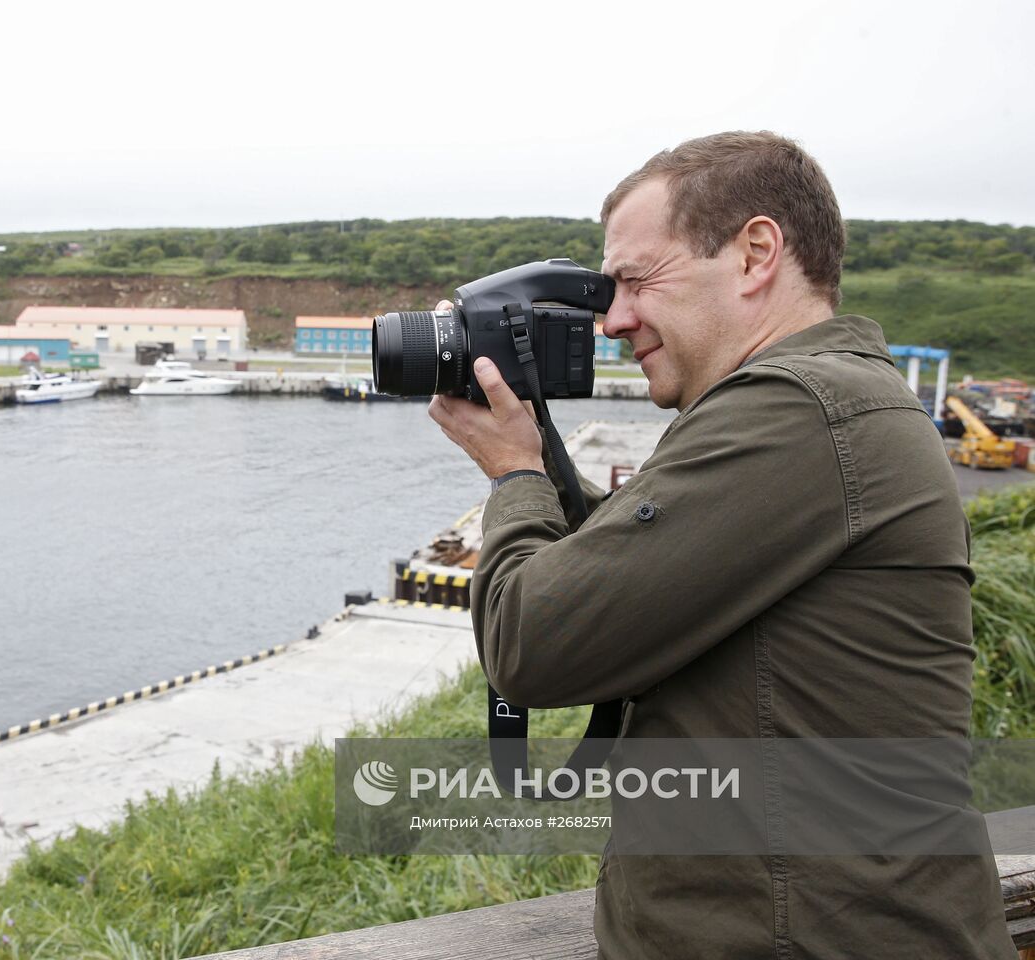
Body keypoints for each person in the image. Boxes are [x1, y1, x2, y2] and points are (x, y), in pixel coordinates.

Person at [428, 131, 1014, 959]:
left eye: (635, 281)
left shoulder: (800, 411)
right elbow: (639, 565)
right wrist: (540, 453)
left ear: (755, 253)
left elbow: (534, 643)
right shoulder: (827, 402)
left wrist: (515, 474)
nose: (612, 319)